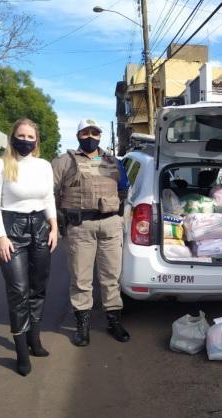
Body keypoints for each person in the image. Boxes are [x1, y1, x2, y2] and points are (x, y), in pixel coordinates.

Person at [0, 118, 58, 376]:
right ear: (12, 137)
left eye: (31, 137)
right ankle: (21, 352)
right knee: (19, 290)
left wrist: (54, 226)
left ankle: (34, 340)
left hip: (40, 227)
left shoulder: (44, 165)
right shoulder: (0, 165)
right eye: (21, 136)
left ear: (36, 141)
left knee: (38, 287)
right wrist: (1, 236)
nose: (26, 141)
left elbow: (49, 197)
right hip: (12, 230)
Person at [52, 119, 130, 347]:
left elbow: (123, 189)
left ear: (100, 136)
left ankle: (113, 320)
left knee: (111, 278)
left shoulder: (113, 161)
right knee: (81, 279)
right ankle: (82, 326)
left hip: (110, 225)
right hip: (80, 227)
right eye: (85, 132)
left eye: (95, 133)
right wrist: (58, 221)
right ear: (78, 135)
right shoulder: (64, 162)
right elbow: (50, 192)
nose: (91, 136)